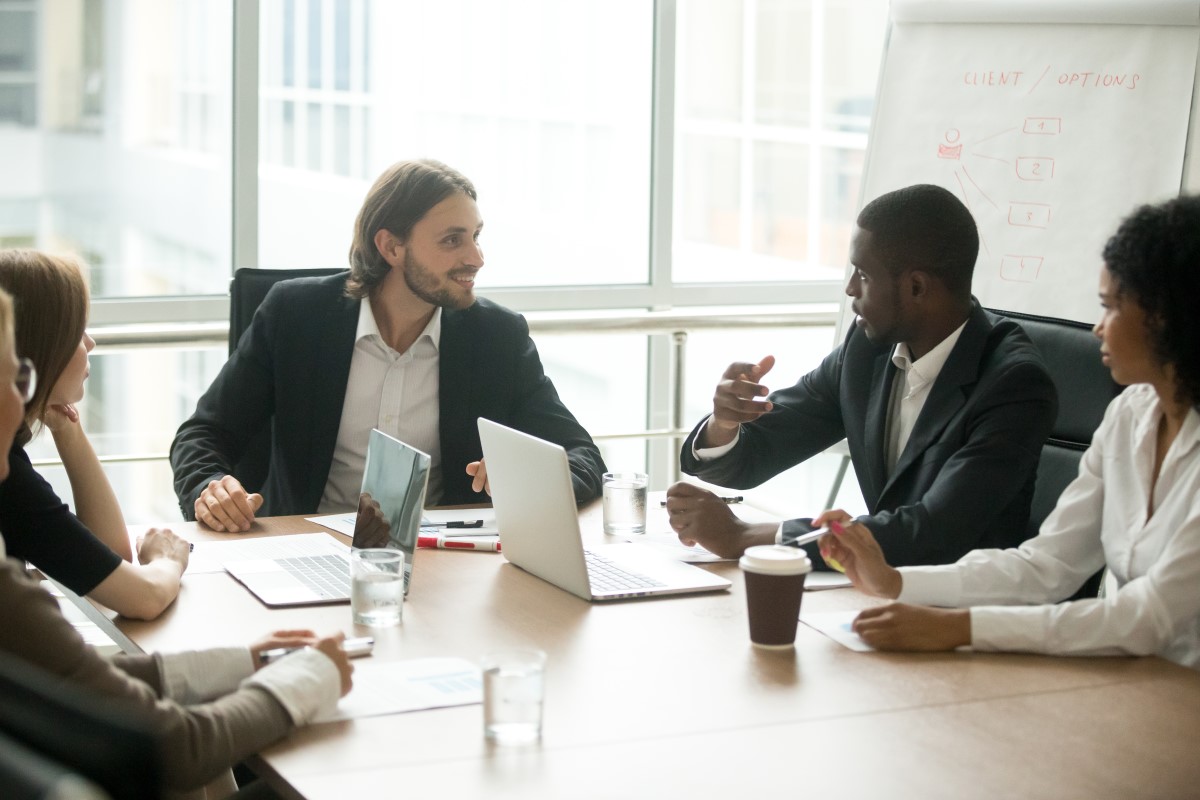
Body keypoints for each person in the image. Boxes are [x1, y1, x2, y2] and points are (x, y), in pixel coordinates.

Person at [0, 285, 353, 797]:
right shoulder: (9, 587)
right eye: (16, 378)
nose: (21, 399)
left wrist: (242, 662)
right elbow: (174, 749)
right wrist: (308, 679)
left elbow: (71, 684)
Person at [821, 195, 1200, 669]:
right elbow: (1047, 566)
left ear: (1166, 317)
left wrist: (958, 628)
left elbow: (1146, 618)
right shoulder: (1129, 414)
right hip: (1132, 679)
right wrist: (896, 583)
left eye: (1110, 308)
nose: (1098, 329)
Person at [171, 159, 606, 532]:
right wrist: (211, 489)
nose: (476, 258)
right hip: (306, 546)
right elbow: (203, 434)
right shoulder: (294, 315)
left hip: (444, 560)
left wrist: (532, 478)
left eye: (476, 236)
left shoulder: (496, 336)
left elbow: (583, 456)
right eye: (452, 240)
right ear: (392, 247)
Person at [666, 184, 1057, 567]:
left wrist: (746, 536)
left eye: (864, 275)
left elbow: (933, 533)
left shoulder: (1014, 385)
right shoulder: (867, 351)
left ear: (917, 287)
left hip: (966, 601)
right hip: (879, 589)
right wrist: (725, 423)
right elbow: (759, 453)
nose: (851, 288)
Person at [0, 250, 189, 620]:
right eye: (76, 333)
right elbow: (144, 597)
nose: (90, 344)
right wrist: (169, 559)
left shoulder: (10, 457)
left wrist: (67, 429)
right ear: (38, 350)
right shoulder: (9, 479)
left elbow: (108, 559)